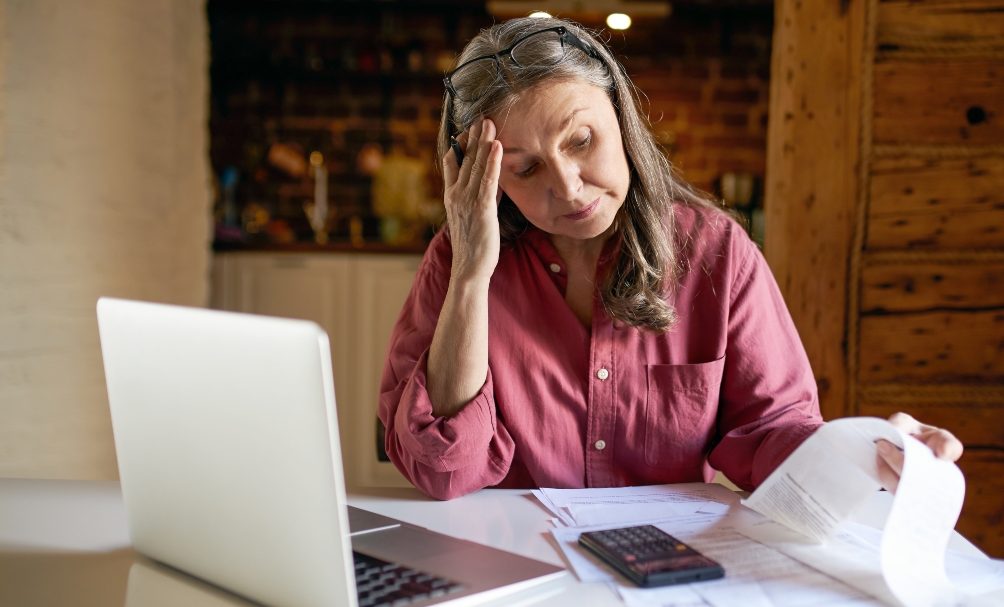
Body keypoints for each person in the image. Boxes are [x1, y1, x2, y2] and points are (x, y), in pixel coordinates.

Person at [377, 17, 962, 501]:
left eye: (581, 141)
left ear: (622, 119)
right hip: (520, 573)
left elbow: (772, 431)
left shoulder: (717, 253)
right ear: (487, 180)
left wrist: (865, 452)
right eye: (525, 168)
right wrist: (473, 275)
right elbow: (443, 470)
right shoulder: (458, 263)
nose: (569, 186)